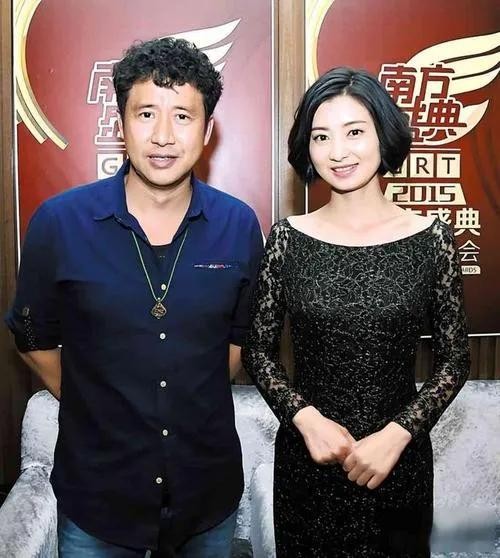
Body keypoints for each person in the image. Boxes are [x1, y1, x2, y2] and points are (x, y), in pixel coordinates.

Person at [6, 37, 263, 557]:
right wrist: (96, 402)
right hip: (97, 497)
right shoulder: (59, 223)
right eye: (146, 114)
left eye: (183, 117)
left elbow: (238, 346)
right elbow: (32, 338)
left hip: (205, 495)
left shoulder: (238, 225)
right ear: (120, 125)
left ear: (207, 130)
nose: (163, 136)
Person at [241, 67, 470, 557]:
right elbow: (258, 351)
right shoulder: (287, 239)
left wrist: (400, 433)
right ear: (307, 147)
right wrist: (305, 418)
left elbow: (455, 360)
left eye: (354, 132)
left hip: (398, 462)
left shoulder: (432, 239)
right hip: (308, 463)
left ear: (383, 135)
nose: (338, 152)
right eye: (321, 136)